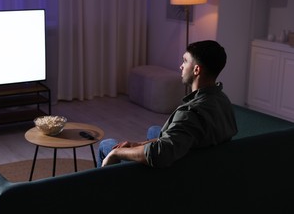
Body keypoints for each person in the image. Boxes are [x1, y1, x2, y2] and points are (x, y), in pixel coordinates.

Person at [98, 40, 238, 168]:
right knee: (154, 130)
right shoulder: (223, 100)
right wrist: (139, 144)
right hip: (207, 166)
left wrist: (117, 153)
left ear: (196, 70)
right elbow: (182, 140)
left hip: (175, 176)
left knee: (106, 145)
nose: (181, 66)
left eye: (185, 61)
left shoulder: (190, 113)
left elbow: (160, 154)